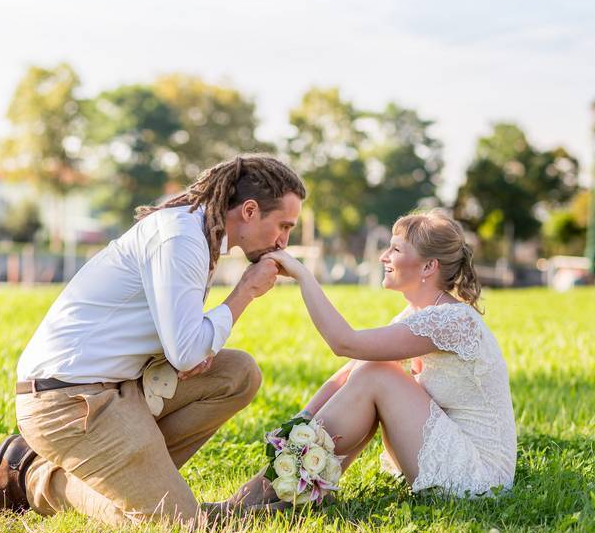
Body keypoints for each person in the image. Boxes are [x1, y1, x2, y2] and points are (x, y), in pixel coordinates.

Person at [0, 154, 306, 528]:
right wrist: (245, 292)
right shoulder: (181, 238)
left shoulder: (198, 233)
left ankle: (145, 486)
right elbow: (185, 352)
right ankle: (32, 475)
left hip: (119, 389)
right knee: (178, 527)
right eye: (284, 225)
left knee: (238, 373)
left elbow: (185, 347)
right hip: (67, 401)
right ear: (249, 210)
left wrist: (195, 349)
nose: (284, 241)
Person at [221, 209, 516, 512]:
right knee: (370, 370)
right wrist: (299, 423)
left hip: (480, 478)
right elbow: (347, 373)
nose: (383, 257)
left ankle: (256, 498)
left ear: (429, 266)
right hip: (451, 454)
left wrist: (303, 275)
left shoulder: (453, 320)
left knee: (378, 374)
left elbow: (344, 343)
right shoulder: (419, 316)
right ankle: (288, 495)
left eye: (396, 249)